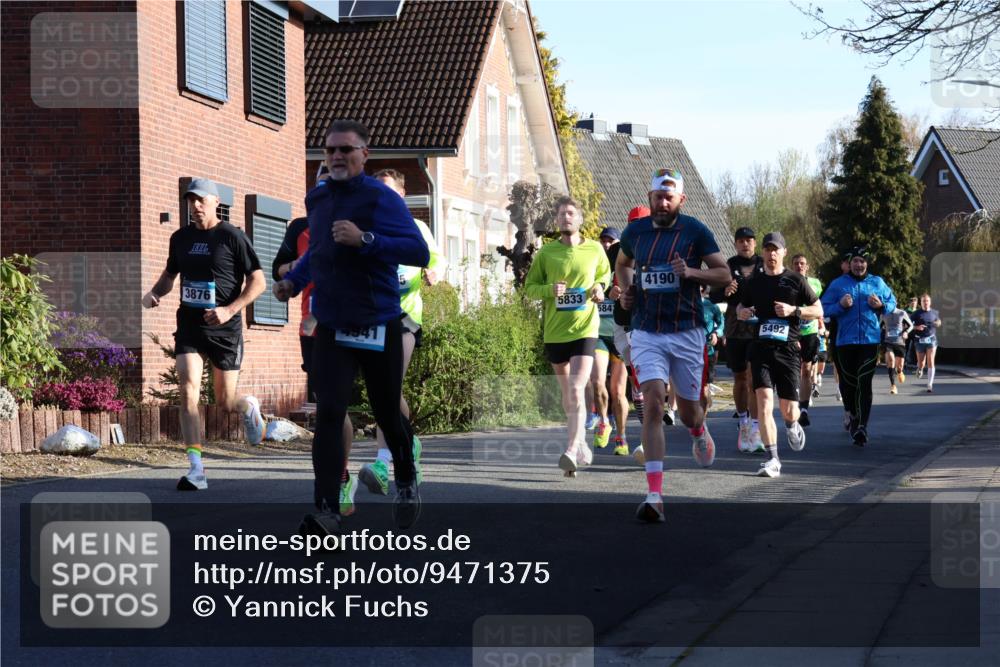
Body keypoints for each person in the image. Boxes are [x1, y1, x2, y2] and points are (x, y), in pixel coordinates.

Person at [274, 119, 430, 535]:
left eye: (346, 149)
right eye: (331, 150)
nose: (338, 156)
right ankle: (326, 508)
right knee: (329, 413)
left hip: (379, 322)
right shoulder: (318, 198)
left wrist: (367, 240)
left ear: (364, 153)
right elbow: (319, 251)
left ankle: (406, 476)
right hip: (332, 324)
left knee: (386, 411)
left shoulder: (382, 198)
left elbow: (418, 252)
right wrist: (294, 281)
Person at [616, 168, 730, 522]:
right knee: (652, 402)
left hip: (686, 331)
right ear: (649, 198)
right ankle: (654, 495)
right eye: (657, 197)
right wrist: (626, 293)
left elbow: (725, 274)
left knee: (688, 410)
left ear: (681, 199)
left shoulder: (695, 231)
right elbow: (622, 264)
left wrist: (692, 273)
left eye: (669, 197)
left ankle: (698, 430)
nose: (663, 203)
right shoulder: (635, 231)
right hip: (648, 329)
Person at [142, 178, 267, 491]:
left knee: (225, 401)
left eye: (200, 200)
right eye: (190, 201)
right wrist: (155, 293)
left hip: (225, 327)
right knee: (188, 389)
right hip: (191, 325)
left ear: (216, 203)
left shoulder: (232, 236)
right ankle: (196, 469)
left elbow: (258, 282)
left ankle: (247, 406)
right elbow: (169, 276)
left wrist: (230, 309)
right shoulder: (180, 238)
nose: (195, 206)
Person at [355, 168, 447, 494]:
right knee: (386, 392)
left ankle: (382, 463)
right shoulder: (365, 226)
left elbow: (436, 258)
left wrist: (433, 271)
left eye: (389, 192)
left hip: (406, 317)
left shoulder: (417, 226)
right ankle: (409, 443)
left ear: (402, 195)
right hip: (374, 317)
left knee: (388, 388)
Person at [273, 165, 358, 515]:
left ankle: (358, 471)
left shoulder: (354, 226)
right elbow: (278, 267)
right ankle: (337, 478)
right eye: (320, 190)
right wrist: (297, 268)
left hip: (350, 321)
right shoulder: (299, 227)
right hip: (310, 324)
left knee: (337, 405)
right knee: (327, 404)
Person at [524, 196, 610, 475]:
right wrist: (550, 290)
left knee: (576, 387)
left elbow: (604, 277)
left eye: (571, 213)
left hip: (585, 328)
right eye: (561, 214)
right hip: (555, 331)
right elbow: (530, 288)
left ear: (580, 220)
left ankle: (571, 449)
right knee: (567, 394)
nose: (565, 218)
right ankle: (581, 441)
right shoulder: (547, 253)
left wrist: (599, 288)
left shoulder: (595, 249)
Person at [735, 232, 822, 478]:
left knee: (788, 411)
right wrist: (742, 312)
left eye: (776, 249)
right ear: (762, 253)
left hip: (788, 350)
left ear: (783, 252)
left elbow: (818, 309)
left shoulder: (795, 280)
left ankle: (792, 425)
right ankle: (773, 458)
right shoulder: (754, 281)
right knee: (763, 401)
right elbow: (742, 305)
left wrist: (793, 309)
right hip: (761, 347)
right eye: (767, 249)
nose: (771, 253)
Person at [820, 245, 897, 446]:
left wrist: (881, 306)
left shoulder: (877, 282)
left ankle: (862, 426)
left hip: (870, 340)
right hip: (845, 342)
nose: (859, 264)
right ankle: (852, 414)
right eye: (855, 261)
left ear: (867, 264)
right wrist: (840, 306)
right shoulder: (838, 284)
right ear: (850, 263)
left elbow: (892, 302)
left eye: (862, 261)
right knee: (848, 383)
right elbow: (823, 308)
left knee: (864, 381)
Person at [710, 227, 763, 453]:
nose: (745, 245)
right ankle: (743, 422)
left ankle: (755, 427)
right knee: (740, 379)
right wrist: (724, 292)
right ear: (735, 244)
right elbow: (712, 295)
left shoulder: (763, 264)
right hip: (734, 331)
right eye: (740, 241)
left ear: (754, 242)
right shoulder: (728, 266)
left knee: (754, 379)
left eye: (749, 240)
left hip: (759, 330)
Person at [596, 226, 630, 456]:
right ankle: (603, 421)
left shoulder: (627, 269)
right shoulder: (595, 270)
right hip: (598, 334)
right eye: (604, 241)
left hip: (619, 334)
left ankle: (622, 435)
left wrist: (622, 295)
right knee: (597, 383)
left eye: (611, 241)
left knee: (617, 391)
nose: (607, 245)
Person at [790, 254, 823, 427]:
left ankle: (803, 409)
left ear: (807, 266)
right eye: (796, 264)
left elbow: (819, 308)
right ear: (792, 266)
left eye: (802, 263)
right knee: (791, 368)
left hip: (809, 331)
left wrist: (821, 324)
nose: (799, 266)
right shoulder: (787, 281)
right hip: (791, 331)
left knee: (806, 370)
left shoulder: (816, 283)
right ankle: (791, 401)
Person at [912, 293, 941, 392]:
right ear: (921, 303)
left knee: (931, 361)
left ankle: (930, 384)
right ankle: (919, 369)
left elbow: (939, 322)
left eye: (927, 301)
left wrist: (937, 323)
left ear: (930, 302)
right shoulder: (916, 313)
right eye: (923, 301)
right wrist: (917, 327)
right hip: (919, 340)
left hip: (931, 339)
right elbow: (908, 325)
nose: (925, 303)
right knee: (921, 363)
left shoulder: (935, 312)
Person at [880, 304, 913, 394]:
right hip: (888, 342)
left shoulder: (902, 313)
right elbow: (879, 326)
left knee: (899, 366)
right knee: (891, 360)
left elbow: (911, 326)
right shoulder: (883, 314)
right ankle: (893, 386)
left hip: (900, 342)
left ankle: (899, 371)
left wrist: (906, 332)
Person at [701, 284, 725, 409]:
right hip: (687, 350)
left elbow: (721, 323)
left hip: (708, 350)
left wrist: (716, 333)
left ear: (702, 288)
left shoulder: (711, 306)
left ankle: (701, 422)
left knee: (705, 385)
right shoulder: (683, 304)